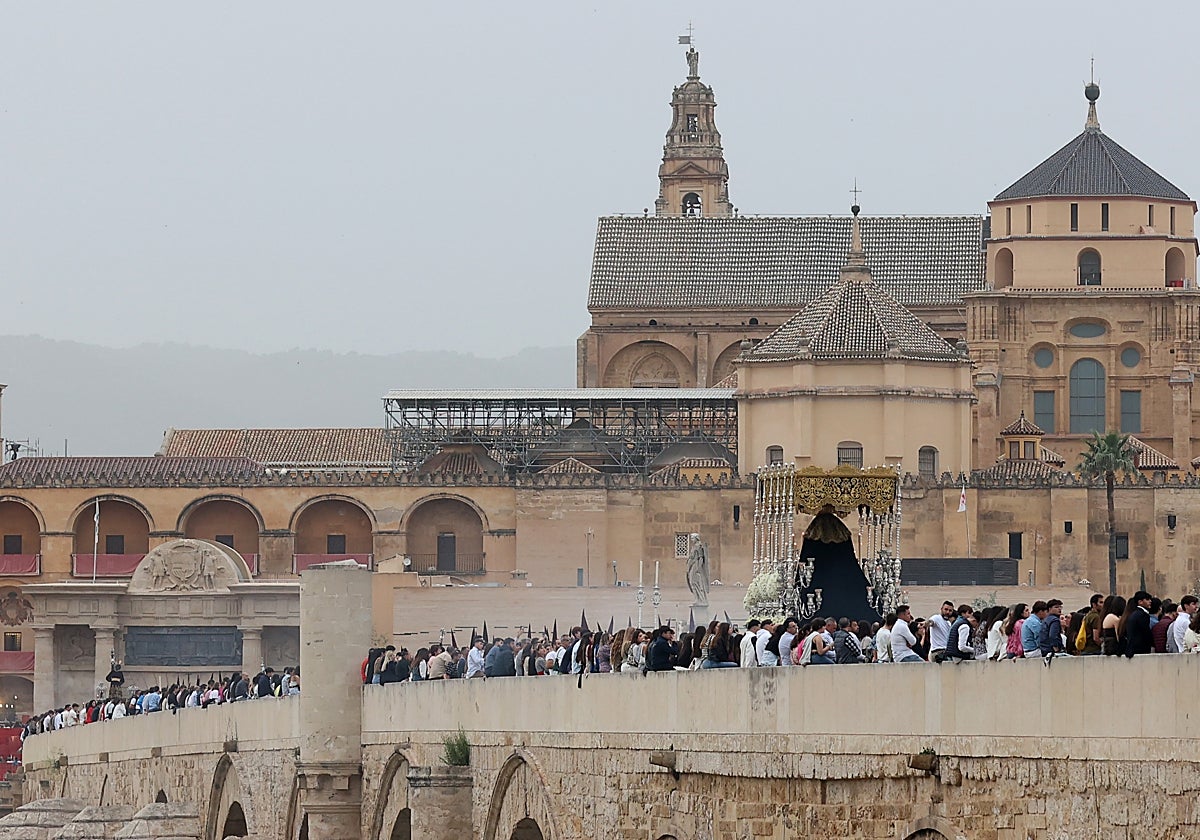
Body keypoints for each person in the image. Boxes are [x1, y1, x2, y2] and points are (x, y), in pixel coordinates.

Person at [1123, 591, 1154, 657]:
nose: (1150, 601)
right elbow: (1145, 632)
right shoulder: (1142, 615)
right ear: (1140, 602)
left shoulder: (1134, 614)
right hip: (1141, 649)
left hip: (1132, 649)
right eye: (1147, 599)